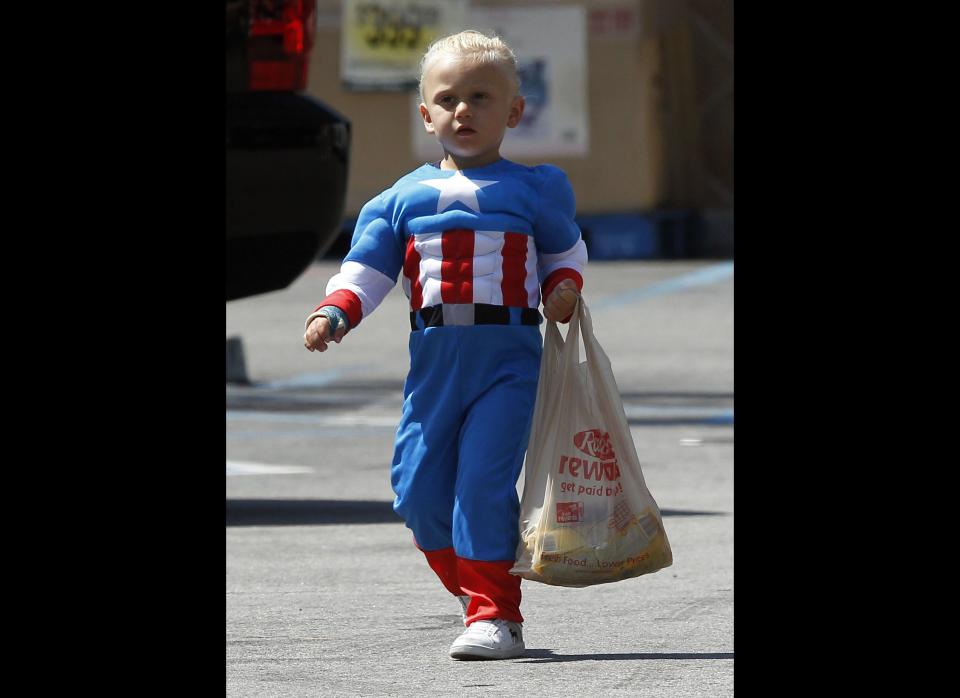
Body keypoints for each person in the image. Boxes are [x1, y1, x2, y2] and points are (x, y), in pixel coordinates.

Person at [303, 30, 586, 660]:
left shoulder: (536, 188)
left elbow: (565, 252)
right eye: (448, 99)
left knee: (481, 486)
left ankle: (496, 617)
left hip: (508, 364)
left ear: (514, 112)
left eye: (481, 98)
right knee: (418, 495)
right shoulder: (397, 200)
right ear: (425, 114)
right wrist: (335, 311)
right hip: (433, 367)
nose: (464, 112)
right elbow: (365, 272)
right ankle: (476, 595)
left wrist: (562, 289)